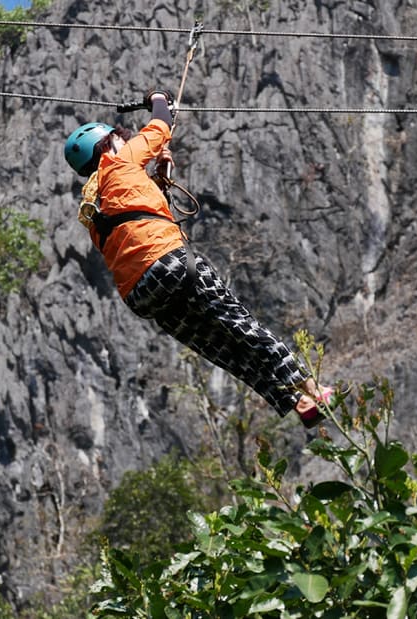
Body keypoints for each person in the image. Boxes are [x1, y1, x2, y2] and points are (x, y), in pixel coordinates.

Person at [63, 90, 332, 427]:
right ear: (108, 144)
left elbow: (138, 218)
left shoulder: (93, 208)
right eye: (121, 138)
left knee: (221, 347)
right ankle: (313, 387)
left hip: (143, 296)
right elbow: (161, 124)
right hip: (170, 264)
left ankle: (298, 402)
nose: (125, 141)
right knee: (241, 326)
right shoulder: (117, 162)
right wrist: (158, 99)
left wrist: (159, 177)